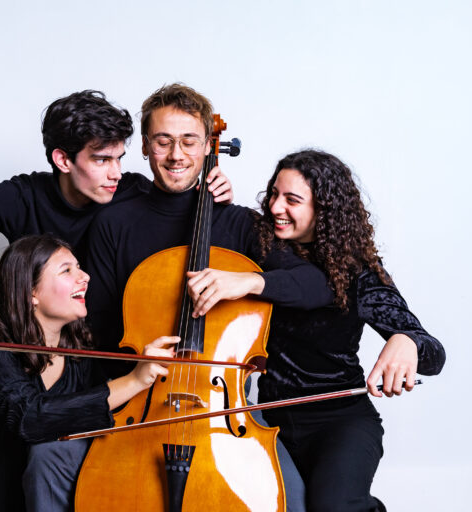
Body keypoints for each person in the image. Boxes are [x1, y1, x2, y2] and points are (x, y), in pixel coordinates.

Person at [82, 84, 334, 511]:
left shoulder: (239, 224)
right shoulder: (113, 222)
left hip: (224, 409)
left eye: (189, 141)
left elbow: (317, 285)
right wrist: (136, 369)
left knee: (291, 500)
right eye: (163, 141)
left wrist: (247, 283)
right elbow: (96, 326)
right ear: (144, 147)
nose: (176, 155)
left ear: (206, 148)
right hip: (140, 400)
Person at [186, 150, 447, 511]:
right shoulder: (258, 243)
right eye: (274, 194)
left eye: (292, 200)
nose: (276, 207)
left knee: (333, 506)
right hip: (268, 420)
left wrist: (408, 340)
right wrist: (211, 195)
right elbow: (192, 223)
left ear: (324, 209)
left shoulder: (357, 272)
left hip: (340, 422)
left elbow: (434, 354)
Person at [0, 90, 232, 350]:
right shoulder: (18, 197)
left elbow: (179, 210)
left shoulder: (132, 190)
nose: (116, 173)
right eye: (102, 160)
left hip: (106, 357)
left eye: (119, 158)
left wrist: (212, 192)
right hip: (33, 353)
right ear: (63, 160)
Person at [0, 234, 178, 512]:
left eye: (79, 267)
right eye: (67, 270)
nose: (84, 277)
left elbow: (95, 423)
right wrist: (134, 380)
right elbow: (29, 417)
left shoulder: (79, 349)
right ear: (31, 292)